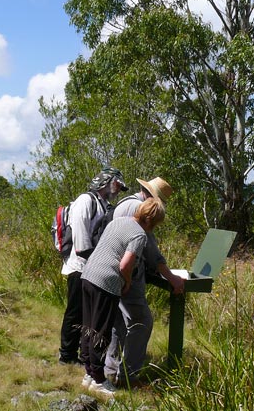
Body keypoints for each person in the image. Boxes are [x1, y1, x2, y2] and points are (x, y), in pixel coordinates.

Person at [80, 198, 166, 397]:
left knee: (88, 327)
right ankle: (99, 380)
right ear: (153, 220)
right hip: (106, 282)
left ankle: (89, 374)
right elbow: (125, 265)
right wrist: (127, 282)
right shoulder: (139, 235)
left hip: (87, 276)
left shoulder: (118, 221)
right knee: (101, 331)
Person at [104, 177, 185, 388]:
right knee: (142, 322)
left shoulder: (124, 203)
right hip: (127, 275)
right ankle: (128, 377)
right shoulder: (141, 209)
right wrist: (171, 277)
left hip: (110, 272)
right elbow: (150, 251)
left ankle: (111, 369)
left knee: (119, 323)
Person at [58, 167, 128, 365]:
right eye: (117, 184)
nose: (118, 189)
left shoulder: (103, 204)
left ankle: (81, 354)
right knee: (75, 312)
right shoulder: (85, 201)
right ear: (107, 182)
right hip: (79, 267)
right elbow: (81, 242)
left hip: (91, 268)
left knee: (87, 316)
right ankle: (67, 355)